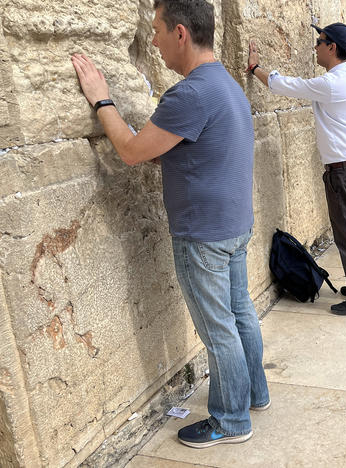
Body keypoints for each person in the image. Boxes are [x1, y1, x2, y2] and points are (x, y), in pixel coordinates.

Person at [70, 0, 269, 448]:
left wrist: (102, 97)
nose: (154, 42)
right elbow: (177, 147)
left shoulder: (191, 94)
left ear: (181, 33)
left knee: (219, 329)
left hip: (204, 234)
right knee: (240, 316)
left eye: (157, 30)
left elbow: (132, 150)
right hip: (234, 225)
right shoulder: (227, 85)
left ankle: (231, 419)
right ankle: (254, 394)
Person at [247, 23, 346, 315]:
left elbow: (286, 85)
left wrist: (256, 68)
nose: (315, 46)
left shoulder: (332, 83)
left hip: (344, 171)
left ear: (332, 47)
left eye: (320, 41)